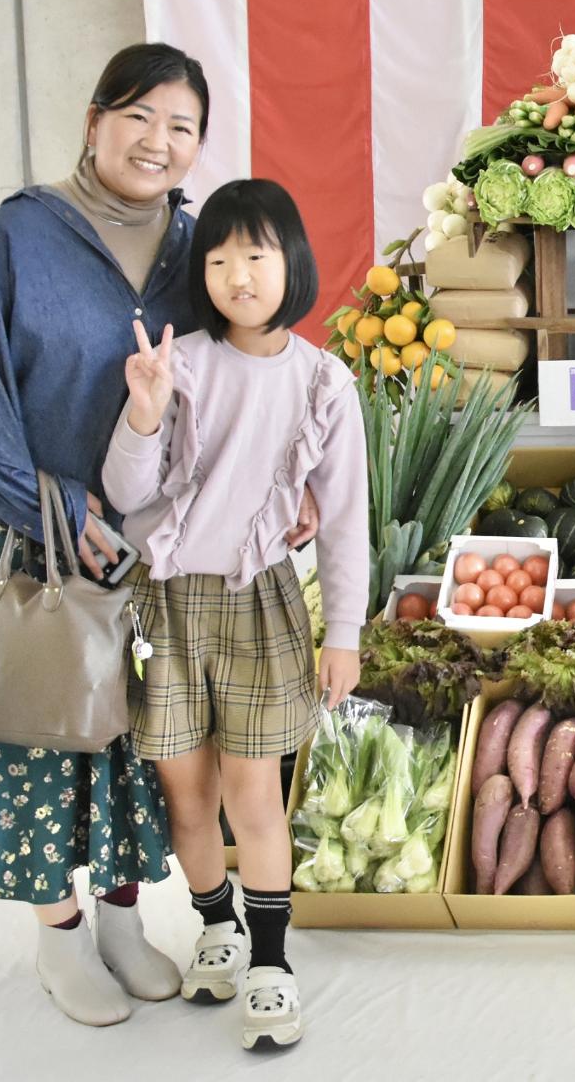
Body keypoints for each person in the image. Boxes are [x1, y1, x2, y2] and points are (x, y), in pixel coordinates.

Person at [0, 43, 324, 1028]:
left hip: (147, 545)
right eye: (138, 116)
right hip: (28, 535)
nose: (157, 140)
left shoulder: (197, 247)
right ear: (95, 120)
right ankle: (58, 935)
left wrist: (292, 482)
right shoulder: (20, 236)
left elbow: (244, 369)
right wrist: (47, 502)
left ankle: (121, 919)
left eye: (180, 126)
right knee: (37, 726)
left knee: (144, 740)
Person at [103, 177, 366, 1052]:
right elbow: (125, 494)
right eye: (217, 259)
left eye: (254, 254)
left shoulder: (326, 382)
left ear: (291, 260)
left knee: (255, 798)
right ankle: (213, 925)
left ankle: (270, 964)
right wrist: (142, 413)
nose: (236, 275)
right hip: (167, 607)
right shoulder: (182, 367)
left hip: (262, 605)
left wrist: (346, 634)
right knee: (188, 795)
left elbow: (347, 521)